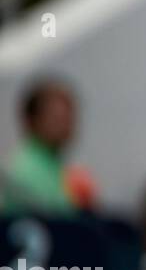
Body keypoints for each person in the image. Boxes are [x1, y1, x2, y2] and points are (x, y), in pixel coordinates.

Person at [0, 77, 90, 216]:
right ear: (32, 121)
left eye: (69, 116)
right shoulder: (24, 173)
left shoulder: (57, 166)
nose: (67, 124)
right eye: (57, 118)